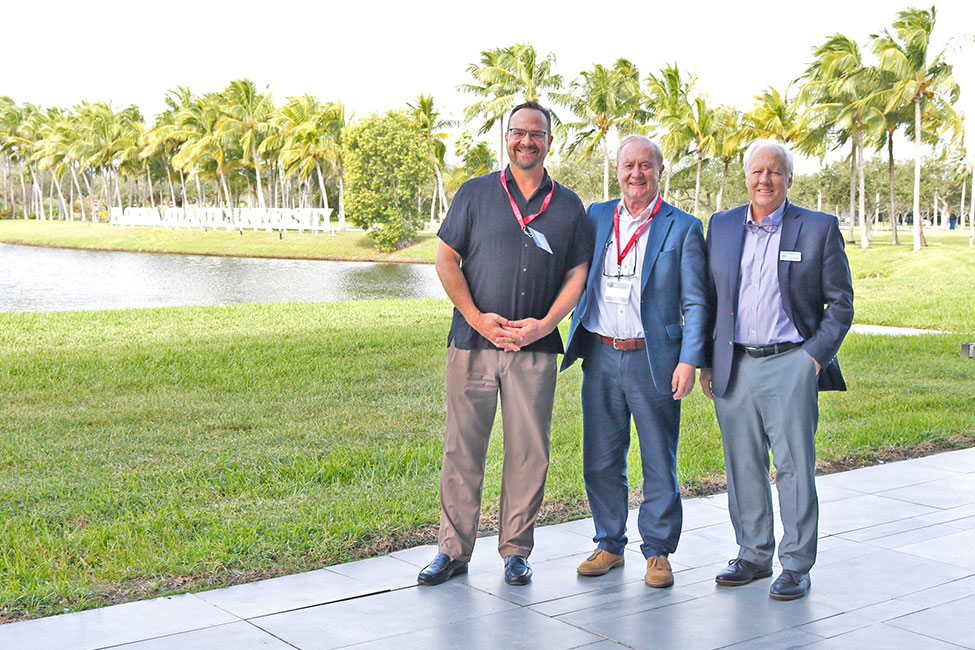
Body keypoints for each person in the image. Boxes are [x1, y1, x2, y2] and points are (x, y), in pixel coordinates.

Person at [417, 101, 592, 587]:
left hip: (534, 351)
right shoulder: (475, 194)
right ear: (507, 137)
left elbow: (578, 272)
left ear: (550, 141)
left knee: (527, 452)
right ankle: (452, 552)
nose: (527, 141)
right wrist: (476, 317)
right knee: (462, 449)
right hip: (472, 343)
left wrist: (546, 324)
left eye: (537, 134)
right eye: (518, 132)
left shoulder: (569, 206)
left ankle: (516, 552)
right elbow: (446, 260)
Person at [700, 139, 854, 601]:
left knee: (793, 467)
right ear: (747, 177)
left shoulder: (818, 228)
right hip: (735, 362)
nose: (764, 180)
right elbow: (710, 300)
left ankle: (796, 563)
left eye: (774, 172)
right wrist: (707, 360)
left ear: (789, 179)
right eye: (756, 172)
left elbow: (841, 303)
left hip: (791, 360)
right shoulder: (723, 225)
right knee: (742, 465)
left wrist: (812, 358)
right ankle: (752, 554)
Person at [561, 135, 707, 589]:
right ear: (618, 170)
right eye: (629, 165)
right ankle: (609, 542)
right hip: (601, 353)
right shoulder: (597, 215)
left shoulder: (682, 227)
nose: (636, 174)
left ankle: (658, 551)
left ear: (660, 172)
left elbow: (697, 303)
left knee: (658, 459)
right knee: (601, 457)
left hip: (654, 359)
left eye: (646, 165)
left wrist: (689, 360)